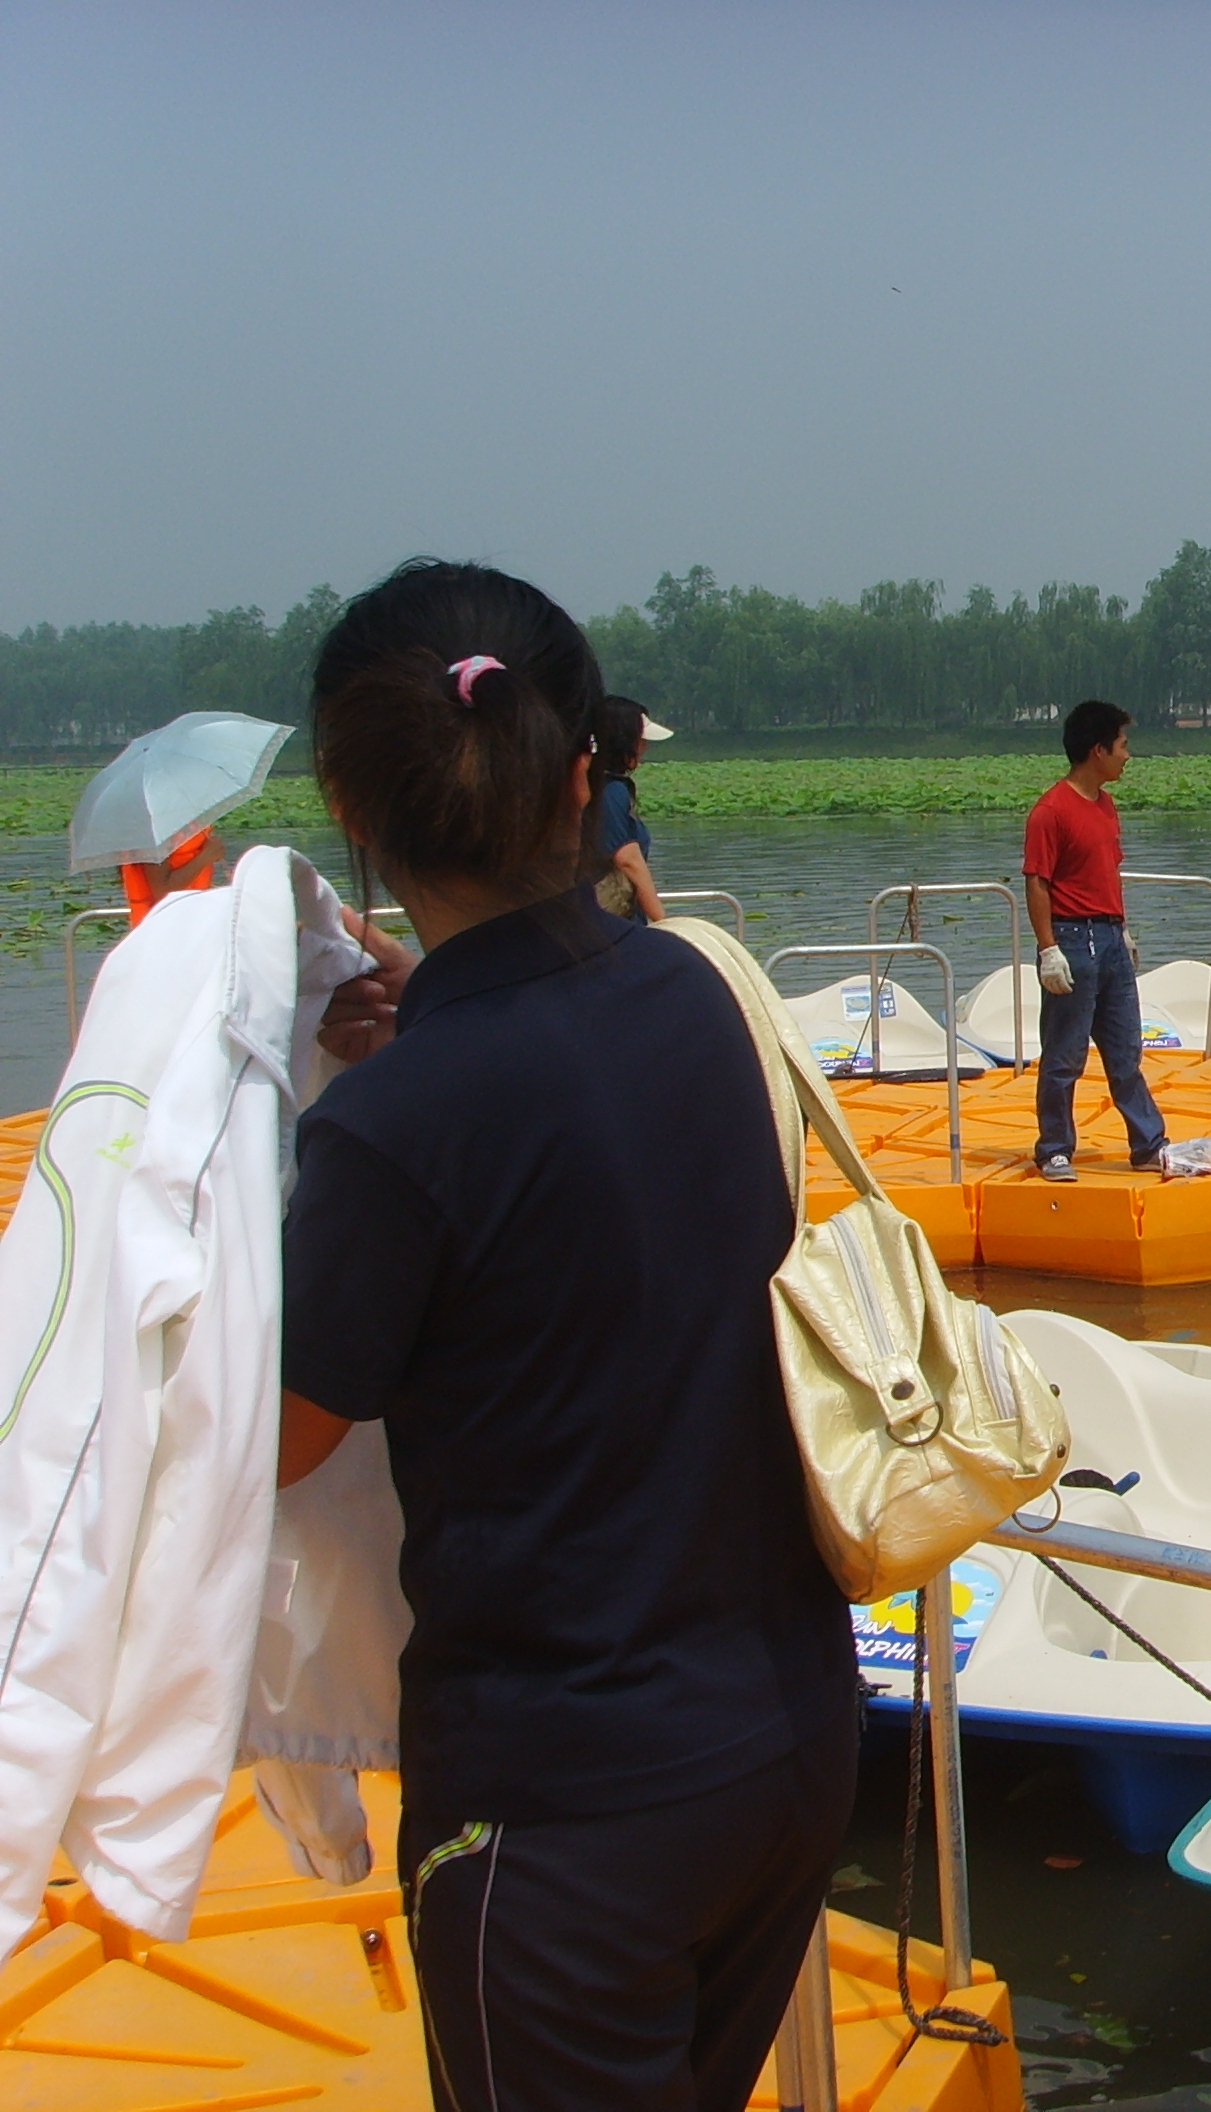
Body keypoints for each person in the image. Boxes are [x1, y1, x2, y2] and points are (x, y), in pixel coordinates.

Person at [275, 561, 855, 2111]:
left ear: (351, 804)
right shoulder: (694, 993)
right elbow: (570, 1153)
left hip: (567, 1813)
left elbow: (277, 1438)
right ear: (589, 776)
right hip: (785, 1743)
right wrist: (442, 1023)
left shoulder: (393, 1130)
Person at [1023, 699, 1170, 1180]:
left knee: (1126, 1050)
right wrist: (1048, 949)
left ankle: (1148, 1144)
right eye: (1123, 745)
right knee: (1065, 1053)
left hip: (1108, 935)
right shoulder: (1051, 811)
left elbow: (1109, 870)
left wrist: (1122, 927)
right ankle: (1054, 1148)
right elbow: (1037, 881)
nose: (1128, 755)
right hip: (1072, 937)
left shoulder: (1106, 805)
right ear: (1097, 750)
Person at [590, 693, 670, 922]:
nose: (644, 747)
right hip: (614, 923)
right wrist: (666, 924)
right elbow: (628, 860)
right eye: (639, 740)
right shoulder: (610, 792)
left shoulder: (594, 786)